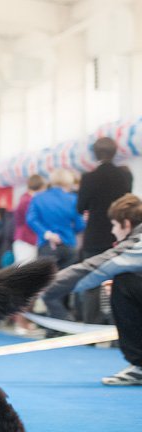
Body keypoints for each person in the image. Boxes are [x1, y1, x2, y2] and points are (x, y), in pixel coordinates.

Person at [43, 194, 142, 385]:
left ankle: (140, 365)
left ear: (126, 224)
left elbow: (94, 268)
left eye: (114, 225)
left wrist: (39, 287)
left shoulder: (137, 241)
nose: (113, 231)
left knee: (124, 283)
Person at [77, 137, 133, 324]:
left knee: (91, 284)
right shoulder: (125, 175)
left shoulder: (88, 178)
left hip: (95, 236)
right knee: (120, 284)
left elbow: (80, 207)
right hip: (120, 235)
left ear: (95, 153)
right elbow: (128, 203)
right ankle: (118, 327)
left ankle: (91, 328)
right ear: (115, 152)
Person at [26, 168, 84, 270]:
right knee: (68, 277)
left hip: (46, 245)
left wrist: (47, 234)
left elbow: (31, 219)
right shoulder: (73, 199)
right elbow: (80, 225)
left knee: (46, 278)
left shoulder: (38, 198)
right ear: (68, 181)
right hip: (68, 244)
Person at [12, 174, 46, 264]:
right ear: (42, 187)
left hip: (25, 239)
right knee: (26, 269)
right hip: (26, 240)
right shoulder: (29, 201)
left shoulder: (25, 199)